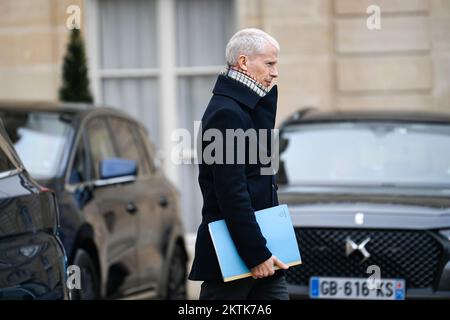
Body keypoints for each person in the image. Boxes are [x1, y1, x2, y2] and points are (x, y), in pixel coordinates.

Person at [188, 28, 290, 300]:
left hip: (262, 253)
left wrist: (262, 251)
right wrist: (255, 253)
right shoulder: (226, 113)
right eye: (269, 63)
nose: (275, 72)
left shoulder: (244, 108)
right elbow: (231, 193)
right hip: (236, 260)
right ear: (244, 62)